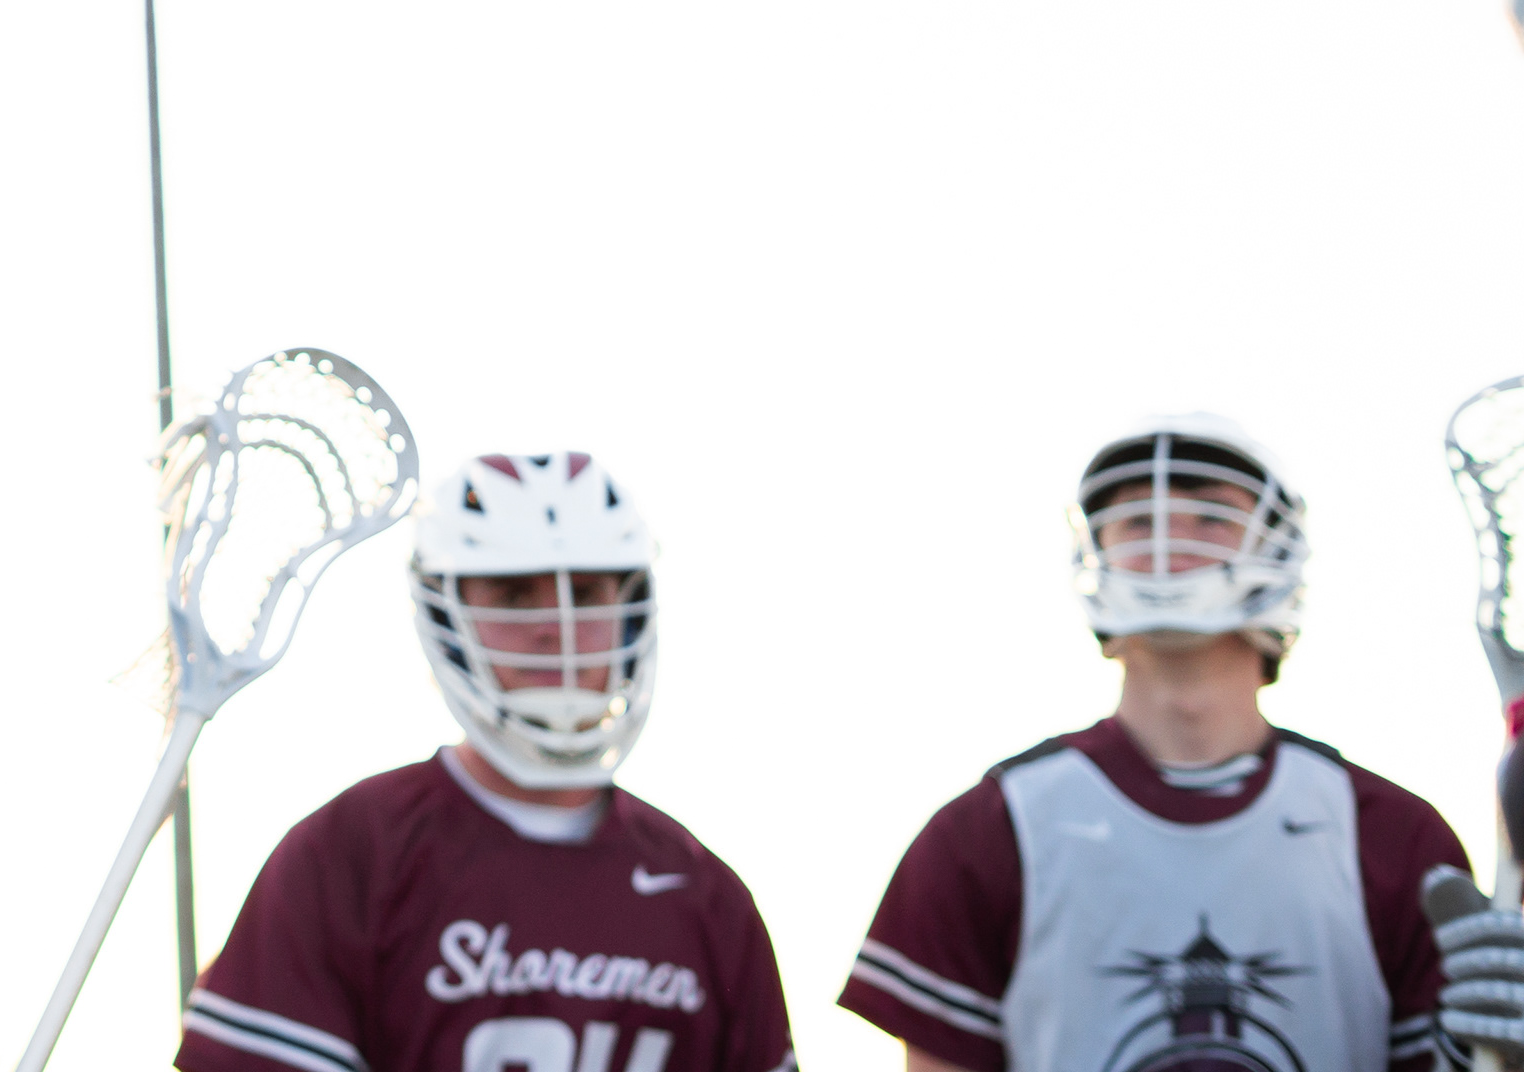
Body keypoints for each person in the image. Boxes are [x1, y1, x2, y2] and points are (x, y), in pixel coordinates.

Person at [844, 417, 1492, 1072]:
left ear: (1277, 549)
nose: (1168, 541)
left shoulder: (1395, 837)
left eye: (1209, 515)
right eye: (1137, 520)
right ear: (1096, 551)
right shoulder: (986, 833)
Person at [176, 451, 797, 1072]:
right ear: (447, 612)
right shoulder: (351, 853)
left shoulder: (708, 897)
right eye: (515, 594)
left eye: (584, 593)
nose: (555, 626)